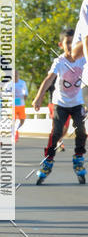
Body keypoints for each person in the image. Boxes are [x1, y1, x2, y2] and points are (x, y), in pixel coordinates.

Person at [33, 28, 86, 183]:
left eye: (73, 43)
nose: (70, 46)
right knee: (56, 132)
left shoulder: (83, 59)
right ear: (61, 45)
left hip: (77, 103)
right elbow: (49, 79)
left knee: (81, 131)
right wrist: (38, 97)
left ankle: (78, 157)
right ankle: (48, 160)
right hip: (60, 103)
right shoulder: (59, 61)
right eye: (67, 43)